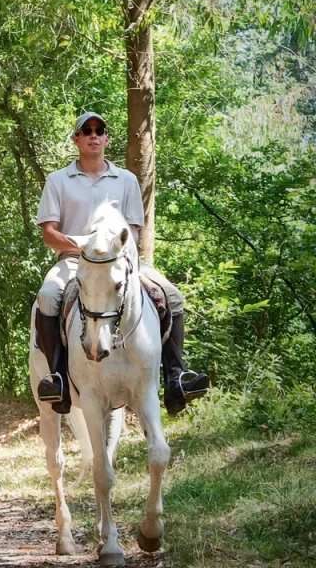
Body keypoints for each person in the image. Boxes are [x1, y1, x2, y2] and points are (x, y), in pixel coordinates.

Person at [34, 111, 210, 416]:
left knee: (173, 297)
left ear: (106, 138)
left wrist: (113, 253)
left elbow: (133, 231)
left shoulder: (126, 180)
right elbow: (49, 234)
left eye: (99, 130)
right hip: (74, 260)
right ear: (76, 139)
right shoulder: (58, 180)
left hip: (120, 261)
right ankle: (57, 377)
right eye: (86, 130)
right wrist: (85, 244)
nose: (93, 134)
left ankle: (176, 376)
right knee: (48, 296)